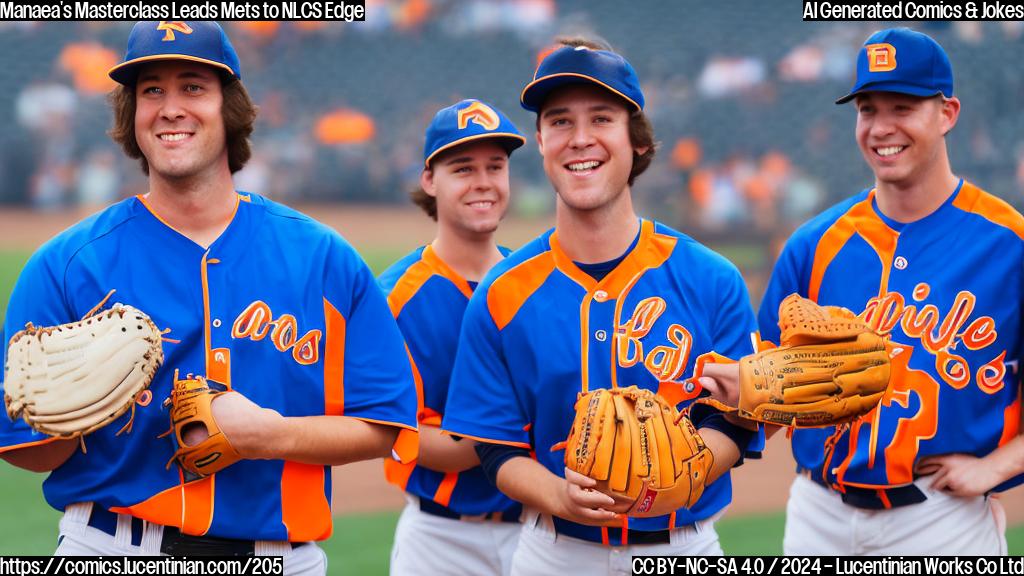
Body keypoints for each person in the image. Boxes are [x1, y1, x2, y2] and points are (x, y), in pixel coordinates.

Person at [0, 21, 418, 573]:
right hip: (109, 549)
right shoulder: (67, 264)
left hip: (280, 559)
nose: (171, 107)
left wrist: (275, 435)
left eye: (193, 87)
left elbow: (384, 423)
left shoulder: (322, 258)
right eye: (151, 91)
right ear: (133, 115)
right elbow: (28, 450)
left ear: (231, 108)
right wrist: (83, 409)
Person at [440, 39, 763, 574]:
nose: (580, 138)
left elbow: (733, 424)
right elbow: (495, 449)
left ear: (636, 140)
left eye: (602, 118)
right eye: (561, 121)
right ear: (540, 141)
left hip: (683, 547)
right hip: (553, 550)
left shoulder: (712, 279)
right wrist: (558, 495)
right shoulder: (501, 292)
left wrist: (685, 470)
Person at [756, 27, 1024, 555]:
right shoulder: (814, 245)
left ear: (947, 114)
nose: (881, 128)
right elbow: (761, 394)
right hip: (818, 515)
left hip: (941, 517)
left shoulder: (1009, 245)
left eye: (902, 107)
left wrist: (997, 466)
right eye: (867, 109)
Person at [378, 99, 526, 576]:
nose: (483, 182)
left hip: (542, 531)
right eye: (463, 168)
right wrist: (516, 435)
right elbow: (398, 433)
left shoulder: (537, 281)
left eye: (495, 167)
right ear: (429, 181)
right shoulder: (395, 299)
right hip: (441, 540)